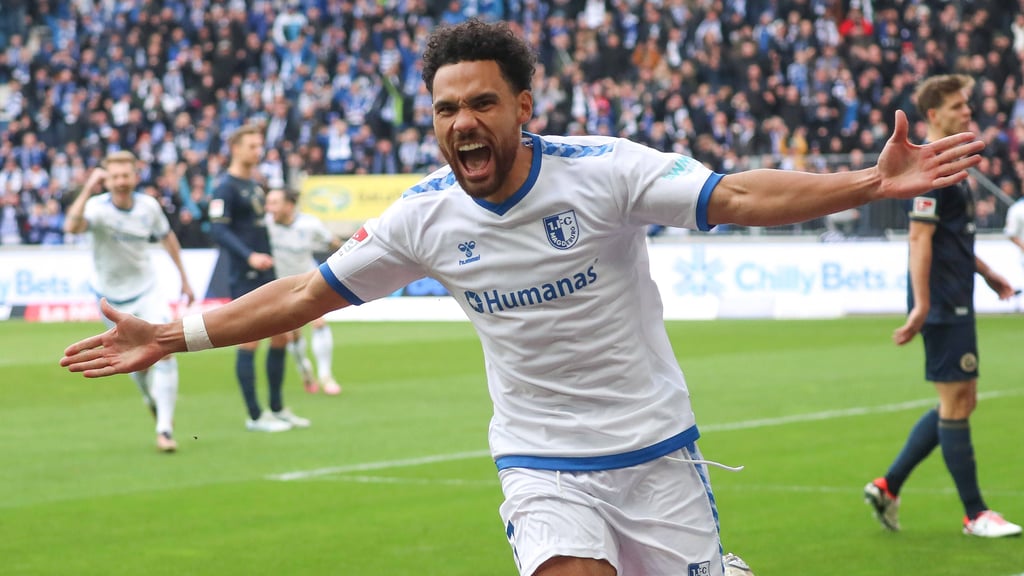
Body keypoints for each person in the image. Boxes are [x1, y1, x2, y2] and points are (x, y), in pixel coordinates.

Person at [62, 20, 988, 576]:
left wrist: (867, 184)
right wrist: (174, 334)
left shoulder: (604, 172)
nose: (461, 122)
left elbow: (737, 195)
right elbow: (306, 293)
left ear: (521, 107)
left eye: (480, 103)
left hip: (656, 453)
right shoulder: (422, 219)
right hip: (540, 459)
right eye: (444, 109)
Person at [863, 74, 1022, 539]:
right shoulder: (929, 171)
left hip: (956, 296)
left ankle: (887, 486)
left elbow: (951, 238)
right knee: (957, 400)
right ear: (933, 115)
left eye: (968, 104)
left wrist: (987, 273)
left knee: (961, 399)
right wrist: (922, 306)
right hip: (943, 304)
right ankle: (975, 515)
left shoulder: (949, 165)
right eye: (957, 106)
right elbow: (920, 237)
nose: (968, 112)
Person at [63, 151, 195, 453]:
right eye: (115, 176)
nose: (122, 182)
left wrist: (185, 279)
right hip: (111, 299)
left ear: (135, 176)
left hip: (148, 291)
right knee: (131, 361)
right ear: (107, 179)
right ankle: (150, 399)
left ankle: (164, 428)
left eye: (126, 175)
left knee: (164, 350)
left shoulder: (149, 207)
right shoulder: (95, 208)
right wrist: (87, 187)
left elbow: (168, 239)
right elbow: (71, 227)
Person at [209, 124, 310, 432]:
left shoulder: (254, 185)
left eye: (259, 145)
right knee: (250, 341)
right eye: (252, 146)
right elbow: (217, 229)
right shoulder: (225, 187)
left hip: (267, 272)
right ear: (236, 148)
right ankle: (255, 415)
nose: (258, 151)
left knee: (280, 335)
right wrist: (249, 255)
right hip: (245, 274)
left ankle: (277, 408)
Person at [264, 187, 343, 395]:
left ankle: (326, 376)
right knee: (292, 334)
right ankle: (304, 369)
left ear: (289, 206)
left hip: (309, 280)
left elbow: (333, 242)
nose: (268, 208)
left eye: (274, 203)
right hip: (282, 285)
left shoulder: (310, 224)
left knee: (319, 322)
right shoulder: (265, 225)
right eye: (268, 202)